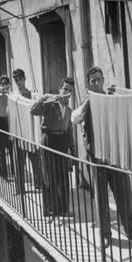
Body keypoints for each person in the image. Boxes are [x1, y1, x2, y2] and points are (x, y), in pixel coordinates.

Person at [72, 66, 132, 247]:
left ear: (103, 79)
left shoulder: (112, 98)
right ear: (89, 84)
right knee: (101, 198)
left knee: (124, 195)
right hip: (96, 157)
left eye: (99, 79)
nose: (97, 83)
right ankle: (105, 234)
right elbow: (75, 118)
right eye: (93, 81)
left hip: (114, 157)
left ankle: (131, 230)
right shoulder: (86, 101)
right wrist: (89, 99)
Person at [30, 77, 76, 219]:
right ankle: (49, 209)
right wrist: (45, 97)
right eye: (65, 89)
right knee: (49, 175)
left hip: (62, 141)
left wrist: (72, 149)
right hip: (49, 139)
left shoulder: (69, 109)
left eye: (70, 90)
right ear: (59, 90)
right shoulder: (50, 104)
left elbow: (69, 129)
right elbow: (33, 110)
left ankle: (63, 209)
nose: (67, 92)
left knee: (63, 177)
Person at [12, 68, 42, 192]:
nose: (18, 82)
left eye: (20, 79)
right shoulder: (14, 97)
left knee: (35, 160)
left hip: (31, 133)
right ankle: (20, 188)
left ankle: (39, 185)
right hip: (19, 133)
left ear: (24, 79)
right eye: (16, 80)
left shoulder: (33, 95)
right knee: (19, 162)